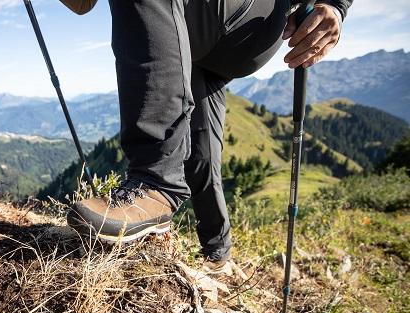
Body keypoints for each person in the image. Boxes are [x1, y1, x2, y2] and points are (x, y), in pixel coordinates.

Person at [62, 0, 351, 262]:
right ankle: (217, 250)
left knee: (179, 156)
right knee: (201, 145)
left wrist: (336, 5)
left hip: (250, 17)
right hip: (206, 27)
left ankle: (155, 183)